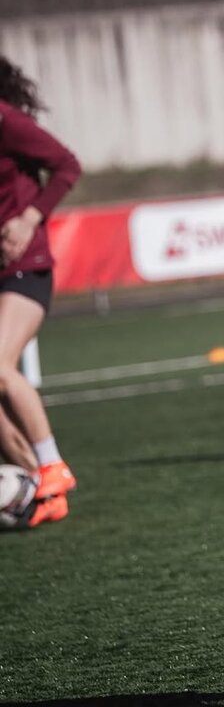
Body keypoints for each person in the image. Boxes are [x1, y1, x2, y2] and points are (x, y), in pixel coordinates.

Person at [0, 56, 81, 526]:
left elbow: (67, 165)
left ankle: (53, 467)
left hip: (25, 269)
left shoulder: (6, 121)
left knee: (0, 366)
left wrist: (28, 219)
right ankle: (40, 490)